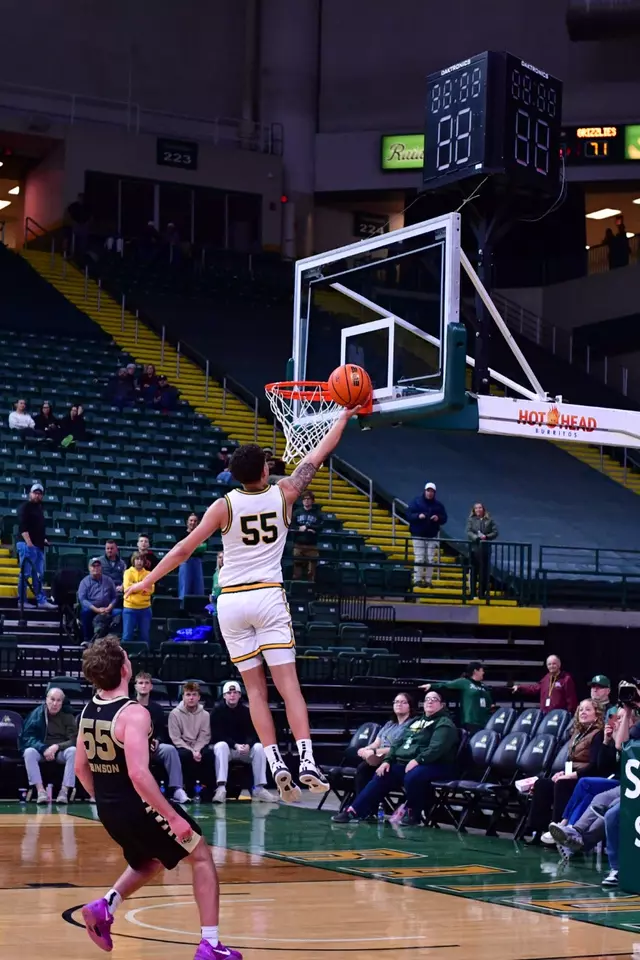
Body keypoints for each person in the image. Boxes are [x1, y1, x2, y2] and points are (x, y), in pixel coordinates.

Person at [126, 404, 359, 802]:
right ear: (266, 470)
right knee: (290, 689)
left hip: (231, 602)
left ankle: (274, 762)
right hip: (267, 594)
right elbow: (318, 454)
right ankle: (305, 760)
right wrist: (343, 417)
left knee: (255, 693)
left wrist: (147, 579)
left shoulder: (223, 506)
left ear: (234, 475)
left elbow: (183, 550)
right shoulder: (286, 493)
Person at [75, 637, 240, 960]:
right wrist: (174, 817)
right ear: (124, 669)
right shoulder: (133, 713)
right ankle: (211, 946)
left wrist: (104, 800)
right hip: (139, 804)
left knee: (149, 860)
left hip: (109, 808)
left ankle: (105, 906)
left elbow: (81, 768)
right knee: (202, 856)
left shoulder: (88, 709)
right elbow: (139, 774)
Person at [332, 691, 459, 826]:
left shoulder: (444, 724)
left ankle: (413, 814)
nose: (430, 701)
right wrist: (387, 761)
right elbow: (398, 744)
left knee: (413, 776)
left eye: (434, 699)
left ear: (442, 705)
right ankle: (354, 810)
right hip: (410, 762)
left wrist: (417, 760)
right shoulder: (417, 721)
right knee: (382, 773)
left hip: (437, 764)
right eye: (427, 699)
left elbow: (436, 749)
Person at [525, 698, 605, 844]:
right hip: (572, 774)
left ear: (597, 714)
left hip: (586, 777)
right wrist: (562, 772)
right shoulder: (577, 733)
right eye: (581, 709)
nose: (583, 712)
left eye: (588, 709)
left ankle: (557, 831)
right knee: (543, 784)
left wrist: (573, 775)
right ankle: (537, 831)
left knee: (562, 785)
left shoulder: (598, 734)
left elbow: (595, 765)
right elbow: (571, 760)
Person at [210, 680, 273, 803]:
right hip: (229, 749)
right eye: (229, 693)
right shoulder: (217, 711)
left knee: (260, 747)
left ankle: (259, 788)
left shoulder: (247, 711)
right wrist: (235, 745)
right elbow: (217, 735)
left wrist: (248, 745)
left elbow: (253, 733)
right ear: (224, 696)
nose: (232, 695)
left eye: (235, 692)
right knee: (220, 746)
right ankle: (221, 788)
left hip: (244, 750)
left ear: (240, 695)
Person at [134, 672, 190, 804]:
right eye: (140, 683)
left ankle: (176, 789)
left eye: (147, 683)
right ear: (135, 686)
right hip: (134, 747)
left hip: (153, 747)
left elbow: (161, 732)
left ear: (151, 687)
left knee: (170, 750)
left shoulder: (157, 709)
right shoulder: (129, 706)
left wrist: (157, 740)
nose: (144, 686)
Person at [20, 688, 77, 804]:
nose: (55, 704)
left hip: (60, 751)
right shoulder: (37, 714)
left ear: (62, 702)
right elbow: (27, 738)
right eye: (52, 699)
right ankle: (40, 791)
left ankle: (64, 792)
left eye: (58, 700)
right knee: (29, 752)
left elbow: (73, 740)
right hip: (42, 750)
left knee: (73, 751)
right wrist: (43, 748)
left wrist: (56, 747)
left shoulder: (68, 716)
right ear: (46, 700)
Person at [354, 692, 416, 795]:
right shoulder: (389, 724)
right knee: (362, 768)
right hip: (378, 757)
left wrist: (373, 751)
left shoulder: (412, 724)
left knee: (371, 771)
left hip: (395, 759)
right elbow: (376, 743)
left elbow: (398, 747)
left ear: (410, 706)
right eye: (396, 702)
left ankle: (364, 805)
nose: (398, 704)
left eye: (403, 702)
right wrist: (366, 749)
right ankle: (360, 804)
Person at [421, 661, 493, 734]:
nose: (483, 672)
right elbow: (446, 685)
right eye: (482, 670)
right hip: (470, 721)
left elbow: (489, 703)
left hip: (484, 721)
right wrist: (431, 686)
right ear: (475, 671)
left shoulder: (484, 687)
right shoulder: (464, 682)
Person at [168, 682, 215, 786]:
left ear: (199, 697)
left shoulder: (205, 714)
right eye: (188, 695)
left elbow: (205, 735)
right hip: (183, 747)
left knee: (209, 754)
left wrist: (197, 750)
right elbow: (175, 738)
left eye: (194, 695)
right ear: (183, 696)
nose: (191, 698)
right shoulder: (174, 714)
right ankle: (185, 788)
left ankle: (209, 790)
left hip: (198, 746)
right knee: (185, 755)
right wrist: (192, 751)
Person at [17, 482, 56, 610]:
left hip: (38, 546)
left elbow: (38, 528)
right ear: (30, 494)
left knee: (39, 575)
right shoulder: (25, 507)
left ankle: (41, 600)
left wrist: (43, 540)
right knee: (25, 573)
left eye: (40, 493)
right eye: (35, 493)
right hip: (27, 545)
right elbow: (23, 526)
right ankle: (22, 601)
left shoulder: (40, 509)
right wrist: (29, 544)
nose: (37, 495)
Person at [407, 481, 447, 587]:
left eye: (432, 491)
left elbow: (444, 518)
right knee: (419, 557)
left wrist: (438, 518)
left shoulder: (438, 505)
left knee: (430, 559)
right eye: (428, 491)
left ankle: (428, 580)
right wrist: (418, 516)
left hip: (431, 535)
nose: (430, 493)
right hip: (418, 534)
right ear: (425, 491)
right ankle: (417, 579)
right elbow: (409, 514)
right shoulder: (416, 502)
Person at [512, 654, 578, 715]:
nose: (551, 666)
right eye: (549, 664)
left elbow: (571, 700)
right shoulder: (546, 678)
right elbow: (535, 688)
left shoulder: (566, 679)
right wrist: (520, 687)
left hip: (559, 716)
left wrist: (570, 715)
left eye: (554, 664)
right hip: (545, 715)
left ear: (559, 664)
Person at [77, 558, 119, 643]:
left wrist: (109, 607)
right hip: (92, 609)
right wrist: (96, 609)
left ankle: (114, 641)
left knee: (119, 612)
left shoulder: (108, 580)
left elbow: (115, 597)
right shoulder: (84, 582)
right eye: (93, 566)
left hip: (107, 608)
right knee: (85, 612)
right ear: (89, 568)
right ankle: (87, 639)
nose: (96, 568)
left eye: (98, 566)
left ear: (101, 567)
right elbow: (82, 599)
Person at [465, 502, 498, 599]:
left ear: (483, 509)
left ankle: (482, 593)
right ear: (474, 510)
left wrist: (486, 537)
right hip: (474, 549)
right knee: (474, 571)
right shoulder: (471, 520)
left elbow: (495, 532)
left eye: (480, 508)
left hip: (485, 550)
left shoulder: (489, 520)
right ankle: (473, 593)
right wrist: (476, 538)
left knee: (484, 572)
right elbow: (468, 531)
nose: (478, 510)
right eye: (476, 508)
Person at [122, 553, 154, 645]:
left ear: (144, 561)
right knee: (127, 636)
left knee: (145, 636)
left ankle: (145, 658)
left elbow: (150, 590)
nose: (139, 561)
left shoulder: (148, 574)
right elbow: (127, 588)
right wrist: (142, 587)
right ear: (133, 560)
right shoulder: (128, 572)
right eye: (137, 559)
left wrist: (134, 588)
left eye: (141, 559)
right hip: (130, 608)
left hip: (145, 609)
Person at [292, 491, 322, 581]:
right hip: (299, 543)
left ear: (312, 501)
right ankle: (297, 585)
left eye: (308, 499)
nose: (306, 501)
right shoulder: (297, 512)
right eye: (304, 499)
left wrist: (307, 527)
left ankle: (310, 587)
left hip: (311, 544)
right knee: (297, 567)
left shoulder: (317, 513)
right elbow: (292, 525)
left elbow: (320, 526)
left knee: (312, 569)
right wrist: (299, 528)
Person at [179, 514, 206, 599]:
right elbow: (183, 549)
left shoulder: (201, 534)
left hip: (197, 562)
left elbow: (203, 547)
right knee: (185, 587)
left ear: (197, 523)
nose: (193, 522)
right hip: (185, 562)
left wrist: (190, 547)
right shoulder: (182, 535)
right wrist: (195, 546)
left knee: (198, 587)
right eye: (191, 520)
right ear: (187, 522)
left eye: (195, 521)